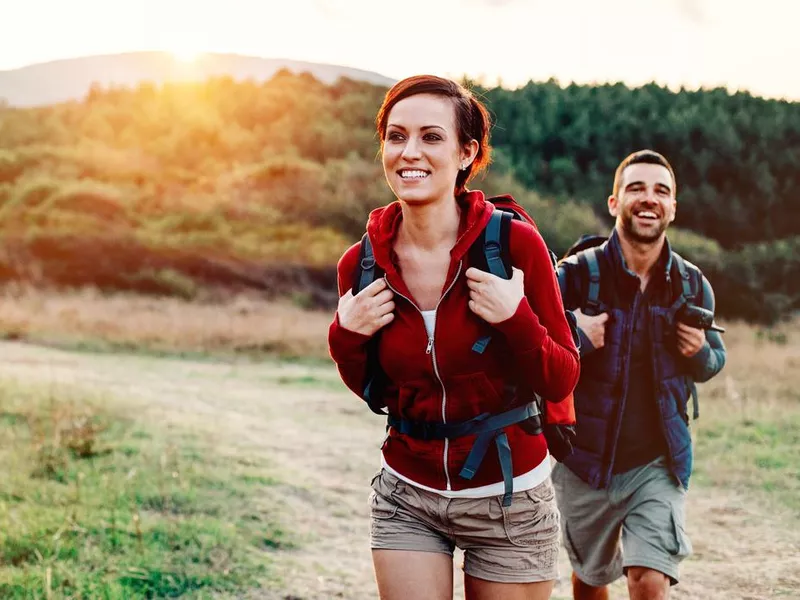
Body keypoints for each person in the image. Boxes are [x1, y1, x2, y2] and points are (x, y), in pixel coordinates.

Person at [327, 75, 580, 600]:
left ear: (468, 153)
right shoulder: (362, 263)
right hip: (407, 493)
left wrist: (517, 320)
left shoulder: (514, 247)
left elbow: (561, 376)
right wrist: (344, 336)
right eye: (395, 137)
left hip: (509, 500)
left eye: (431, 137)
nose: (409, 152)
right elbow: (374, 389)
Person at [551, 149, 727, 600]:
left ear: (673, 208)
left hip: (658, 463)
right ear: (614, 202)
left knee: (649, 579)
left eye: (661, 191)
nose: (648, 199)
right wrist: (578, 337)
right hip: (583, 460)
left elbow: (714, 360)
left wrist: (700, 352)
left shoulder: (692, 284)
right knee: (590, 580)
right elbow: (534, 352)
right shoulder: (573, 276)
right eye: (636, 188)